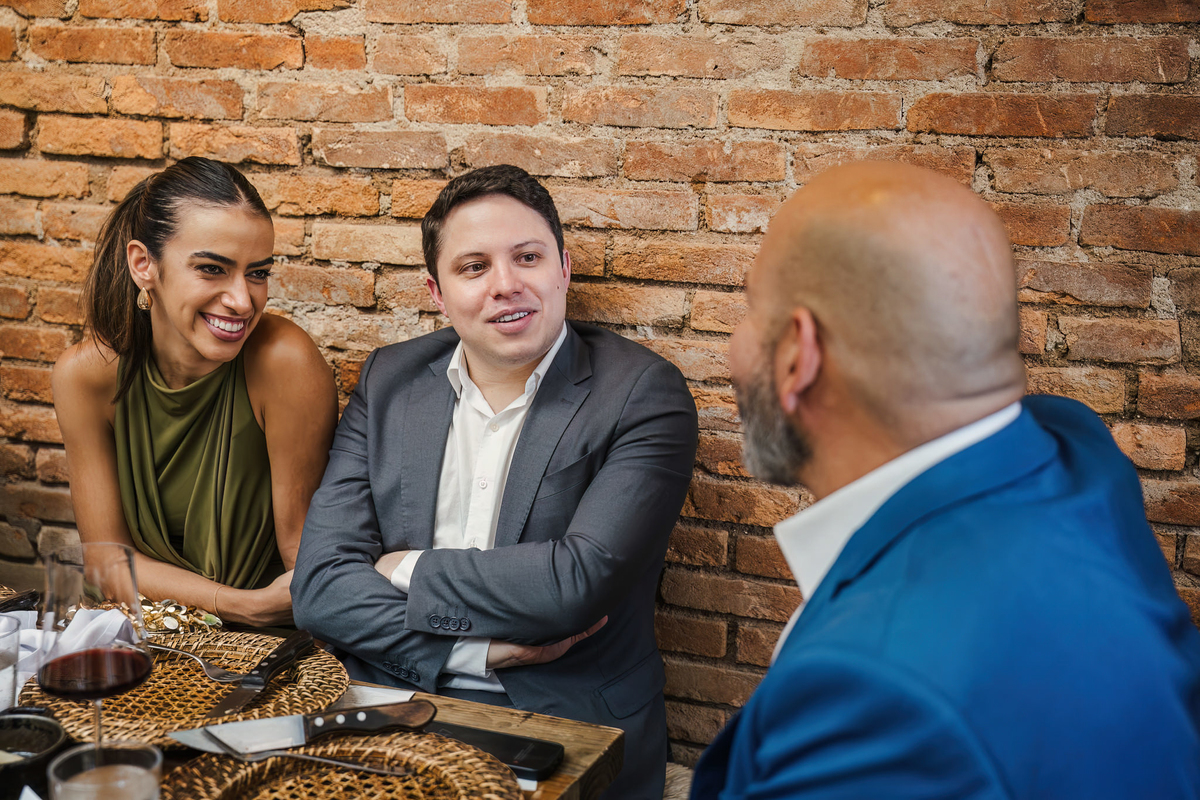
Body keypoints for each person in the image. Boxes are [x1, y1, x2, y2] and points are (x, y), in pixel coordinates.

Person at [690, 161, 1200, 799]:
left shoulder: (877, 693)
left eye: (748, 310)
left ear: (798, 355)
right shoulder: (1077, 447)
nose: (733, 346)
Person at [292, 164, 698, 799]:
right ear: (437, 291)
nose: (506, 285)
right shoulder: (388, 381)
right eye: (474, 267)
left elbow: (574, 585)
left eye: (527, 257)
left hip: (566, 723)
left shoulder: (641, 394)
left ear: (564, 268)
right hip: (390, 703)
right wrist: (476, 652)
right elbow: (319, 588)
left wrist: (405, 567)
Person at [53, 157, 338, 627]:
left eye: (258, 273)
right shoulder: (84, 377)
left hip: (261, 644)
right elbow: (106, 563)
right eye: (211, 268)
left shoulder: (283, 361)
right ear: (143, 264)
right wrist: (236, 603)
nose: (243, 301)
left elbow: (304, 564)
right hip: (130, 631)